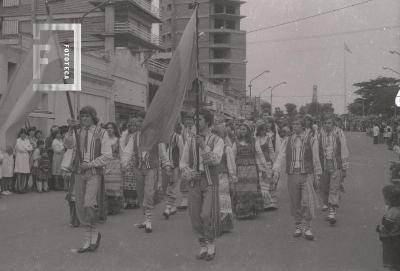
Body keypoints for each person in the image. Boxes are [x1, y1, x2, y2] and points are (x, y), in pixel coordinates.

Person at [64, 106, 112, 253]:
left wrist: (90, 164)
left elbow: (107, 155)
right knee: (80, 206)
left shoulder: (101, 133)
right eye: (82, 116)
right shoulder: (77, 132)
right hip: (78, 173)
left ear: (93, 117)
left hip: (93, 173)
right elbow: (67, 145)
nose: (84, 119)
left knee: (89, 204)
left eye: (87, 116)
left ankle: (93, 233)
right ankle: (88, 238)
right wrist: (70, 129)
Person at [180, 109, 224, 261]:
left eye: (199, 119)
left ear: (207, 121)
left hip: (210, 181)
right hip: (195, 181)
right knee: (195, 216)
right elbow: (183, 162)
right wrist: (190, 172)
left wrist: (203, 145)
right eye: (195, 119)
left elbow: (215, 160)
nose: (196, 122)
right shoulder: (190, 140)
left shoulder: (218, 140)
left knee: (206, 214)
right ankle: (202, 245)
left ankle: (211, 243)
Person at [273, 116, 322, 240]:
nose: (295, 126)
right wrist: (276, 169)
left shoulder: (311, 139)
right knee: (295, 201)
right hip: (292, 174)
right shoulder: (288, 140)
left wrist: (317, 174)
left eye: (298, 124)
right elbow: (281, 155)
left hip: (307, 174)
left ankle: (308, 226)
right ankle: (298, 225)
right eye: (293, 124)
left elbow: (316, 157)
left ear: (303, 126)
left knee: (307, 201)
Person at [318, 115, 350, 224]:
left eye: (330, 123)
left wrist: (345, 167)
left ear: (333, 124)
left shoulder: (339, 132)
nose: (327, 125)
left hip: (336, 165)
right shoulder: (320, 133)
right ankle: (328, 204)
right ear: (323, 124)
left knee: (334, 188)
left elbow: (344, 149)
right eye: (326, 123)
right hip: (324, 165)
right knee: (324, 188)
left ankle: (332, 212)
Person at [231, 123, 264, 219]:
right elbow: (232, 156)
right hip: (240, 169)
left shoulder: (254, 141)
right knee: (241, 190)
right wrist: (232, 170)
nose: (242, 131)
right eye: (241, 129)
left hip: (252, 168)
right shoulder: (236, 142)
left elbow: (259, 154)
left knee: (251, 190)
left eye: (244, 129)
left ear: (249, 131)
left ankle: (251, 211)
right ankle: (242, 213)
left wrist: (264, 168)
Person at [215, 124, 234, 233]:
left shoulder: (227, 148)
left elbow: (231, 165)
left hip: (223, 176)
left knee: (223, 200)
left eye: (217, 134)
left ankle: (224, 225)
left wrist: (232, 177)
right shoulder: (211, 146)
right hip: (213, 176)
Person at [163, 122, 184, 219]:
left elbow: (182, 151)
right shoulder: (163, 138)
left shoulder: (177, 137)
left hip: (175, 165)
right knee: (168, 186)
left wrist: (181, 165)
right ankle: (173, 206)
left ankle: (168, 207)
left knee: (172, 185)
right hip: (166, 165)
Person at [376, 185, 400, 271]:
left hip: (391, 240)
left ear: (391, 200)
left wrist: (379, 229)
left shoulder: (392, 212)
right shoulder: (397, 209)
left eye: (385, 198)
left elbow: (387, 226)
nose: (384, 200)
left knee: (392, 263)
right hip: (397, 238)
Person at [255, 123, 277, 211]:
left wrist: (274, 162)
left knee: (267, 181)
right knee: (261, 182)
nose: (262, 131)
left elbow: (271, 151)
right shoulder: (256, 139)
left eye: (264, 130)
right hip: (258, 162)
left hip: (267, 162)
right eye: (261, 130)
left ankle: (270, 203)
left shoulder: (268, 139)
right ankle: (264, 203)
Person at [104, 122, 124, 215]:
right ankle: (107, 208)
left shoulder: (118, 140)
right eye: (107, 128)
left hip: (116, 165)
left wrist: (123, 165)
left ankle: (116, 207)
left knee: (115, 188)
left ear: (115, 129)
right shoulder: (104, 140)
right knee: (106, 187)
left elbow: (122, 154)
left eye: (111, 128)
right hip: (106, 164)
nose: (109, 130)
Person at [179, 112, 196, 210]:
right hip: (185, 156)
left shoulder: (196, 130)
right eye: (186, 120)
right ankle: (184, 199)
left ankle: (193, 198)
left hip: (194, 155)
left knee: (195, 178)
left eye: (190, 120)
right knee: (184, 177)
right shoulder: (183, 131)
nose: (188, 122)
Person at [14, 129, 33, 193]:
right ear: (20, 134)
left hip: (25, 158)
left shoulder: (27, 140)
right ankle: (19, 187)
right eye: (22, 133)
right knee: (19, 172)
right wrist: (27, 149)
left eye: (25, 133)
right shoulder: (18, 140)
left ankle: (22, 187)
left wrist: (27, 148)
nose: (23, 135)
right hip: (19, 158)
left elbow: (31, 148)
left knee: (24, 172)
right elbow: (19, 149)